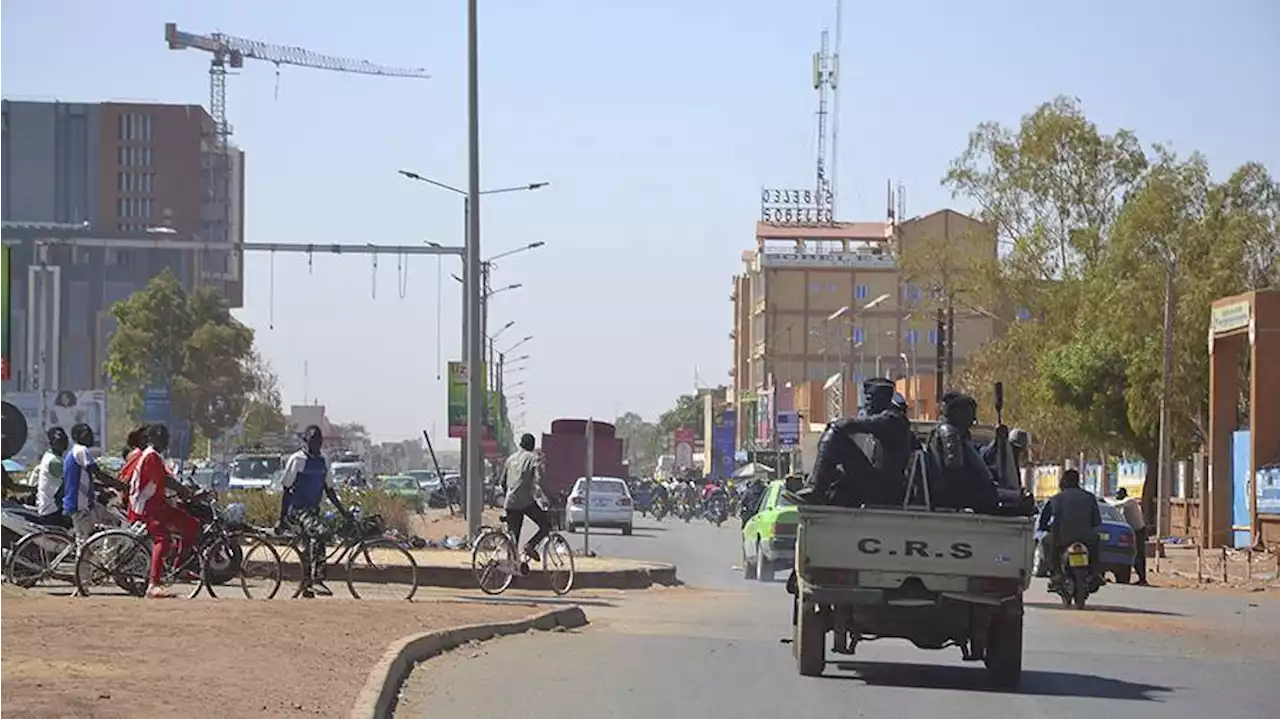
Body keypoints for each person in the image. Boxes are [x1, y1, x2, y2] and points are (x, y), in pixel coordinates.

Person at [800, 378, 913, 508]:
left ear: (882, 398)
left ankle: (816, 489)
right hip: (881, 486)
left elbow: (850, 425)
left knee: (836, 433)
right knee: (837, 475)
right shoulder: (891, 420)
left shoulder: (892, 420)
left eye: (870, 399)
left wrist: (834, 426)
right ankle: (820, 490)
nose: (866, 404)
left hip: (885, 490)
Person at [277, 425, 352, 597]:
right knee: (320, 532)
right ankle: (317, 579)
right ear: (306, 441)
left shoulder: (324, 460)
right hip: (297, 510)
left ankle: (306, 584)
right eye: (312, 441)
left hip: (313, 511)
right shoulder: (297, 460)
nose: (315, 445)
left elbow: (329, 490)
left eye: (318, 442)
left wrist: (343, 511)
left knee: (312, 542)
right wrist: (281, 519)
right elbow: (286, 490)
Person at [128, 424, 200, 599]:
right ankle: (153, 584)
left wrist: (188, 493)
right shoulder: (151, 456)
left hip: (158, 504)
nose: (163, 442)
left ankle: (179, 567)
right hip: (146, 507)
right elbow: (167, 480)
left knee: (192, 525)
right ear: (151, 440)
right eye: (160, 439)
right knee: (163, 540)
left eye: (165, 439)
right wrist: (188, 493)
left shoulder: (156, 456)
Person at [926, 392, 1001, 512]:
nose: (972, 418)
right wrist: (982, 487)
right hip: (957, 497)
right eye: (968, 411)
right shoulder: (949, 433)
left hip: (963, 495)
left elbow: (981, 455)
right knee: (1018, 500)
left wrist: (997, 442)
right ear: (956, 412)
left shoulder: (961, 437)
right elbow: (956, 474)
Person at [1037, 468, 1102, 586]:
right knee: (1096, 543)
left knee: (1046, 542)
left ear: (1064, 481)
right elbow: (1096, 522)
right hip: (1087, 538)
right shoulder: (1090, 497)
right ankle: (1095, 572)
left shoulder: (1056, 498)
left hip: (1062, 538)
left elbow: (1043, 521)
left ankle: (1055, 572)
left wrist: (1045, 527)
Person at [62, 423, 124, 542]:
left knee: (114, 522)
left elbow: (85, 480)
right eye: (86, 434)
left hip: (88, 504)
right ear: (77, 437)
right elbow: (98, 473)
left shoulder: (73, 453)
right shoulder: (81, 450)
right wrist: (121, 486)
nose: (91, 437)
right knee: (86, 545)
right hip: (80, 506)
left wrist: (103, 489)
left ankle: (108, 558)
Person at [502, 433, 553, 561]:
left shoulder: (511, 459)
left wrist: (508, 496)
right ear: (532, 446)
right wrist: (549, 497)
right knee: (546, 525)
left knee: (513, 540)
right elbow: (540, 481)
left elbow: (502, 482)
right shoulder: (533, 458)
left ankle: (511, 574)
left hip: (510, 502)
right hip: (525, 502)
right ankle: (530, 545)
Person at [31, 427, 71, 529]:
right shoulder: (55, 461)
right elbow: (71, 483)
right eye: (58, 438)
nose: (62, 440)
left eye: (64, 438)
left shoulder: (49, 456)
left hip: (48, 508)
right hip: (53, 511)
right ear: (51, 442)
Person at [1111, 488, 1149, 585]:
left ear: (1123, 494)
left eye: (1118, 495)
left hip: (1138, 531)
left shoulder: (1130, 501)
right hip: (1131, 531)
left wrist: (1104, 501)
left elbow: (1116, 505)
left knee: (1139, 555)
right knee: (1133, 554)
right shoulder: (1123, 506)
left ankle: (1142, 579)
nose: (1117, 497)